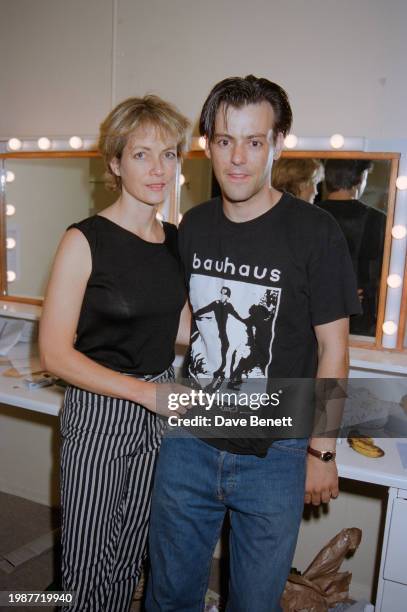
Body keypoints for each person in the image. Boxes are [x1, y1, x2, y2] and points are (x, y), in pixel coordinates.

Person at [146, 76, 361, 612]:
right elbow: (188, 327)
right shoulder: (191, 226)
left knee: (254, 603)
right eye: (223, 140)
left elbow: (334, 351)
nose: (237, 158)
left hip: (276, 455)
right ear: (208, 145)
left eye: (254, 141)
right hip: (190, 441)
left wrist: (322, 450)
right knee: (169, 596)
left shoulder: (316, 231)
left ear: (279, 142)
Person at [39, 95, 191, 612]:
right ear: (114, 163)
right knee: (86, 565)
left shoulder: (173, 240)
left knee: (131, 557)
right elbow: (56, 355)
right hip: (101, 409)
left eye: (169, 154)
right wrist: (147, 394)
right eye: (142, 154)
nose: (158, 168)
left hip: (157, 411)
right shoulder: (85, 241)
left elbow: (184, 328)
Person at [317, 159, 386, 336]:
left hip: (315, 314)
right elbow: (381, 274)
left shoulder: (308, 215)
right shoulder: (378, 220)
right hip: (362, 318)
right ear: (361, 178)